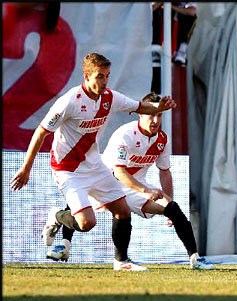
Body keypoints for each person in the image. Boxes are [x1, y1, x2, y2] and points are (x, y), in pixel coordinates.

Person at [10, 53, 177, 272]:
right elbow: (40, 133)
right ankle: (57, 216)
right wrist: (25, 169)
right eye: (100, 76)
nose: (105, 81)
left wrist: (158, 108)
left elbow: (139, 107)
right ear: (87, 76)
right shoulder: (70, 101)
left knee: (123, 210)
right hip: (67, 170)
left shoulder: (109, 97)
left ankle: (121, 262)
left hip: (94, 165)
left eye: (107, 76)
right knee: (87, 223)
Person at [46, 92, 214, 270]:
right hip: (108, 183)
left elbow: (165, 172)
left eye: (159, 115)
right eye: (151, 115)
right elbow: (119, 172)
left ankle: (195, 259)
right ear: (141, 114)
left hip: (136, 188)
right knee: (82, 217)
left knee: (173, 208)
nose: (155, 120)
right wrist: (145, 191)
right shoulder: (126, 134)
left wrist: (169, 206)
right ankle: (62, 236)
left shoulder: (162, 140)